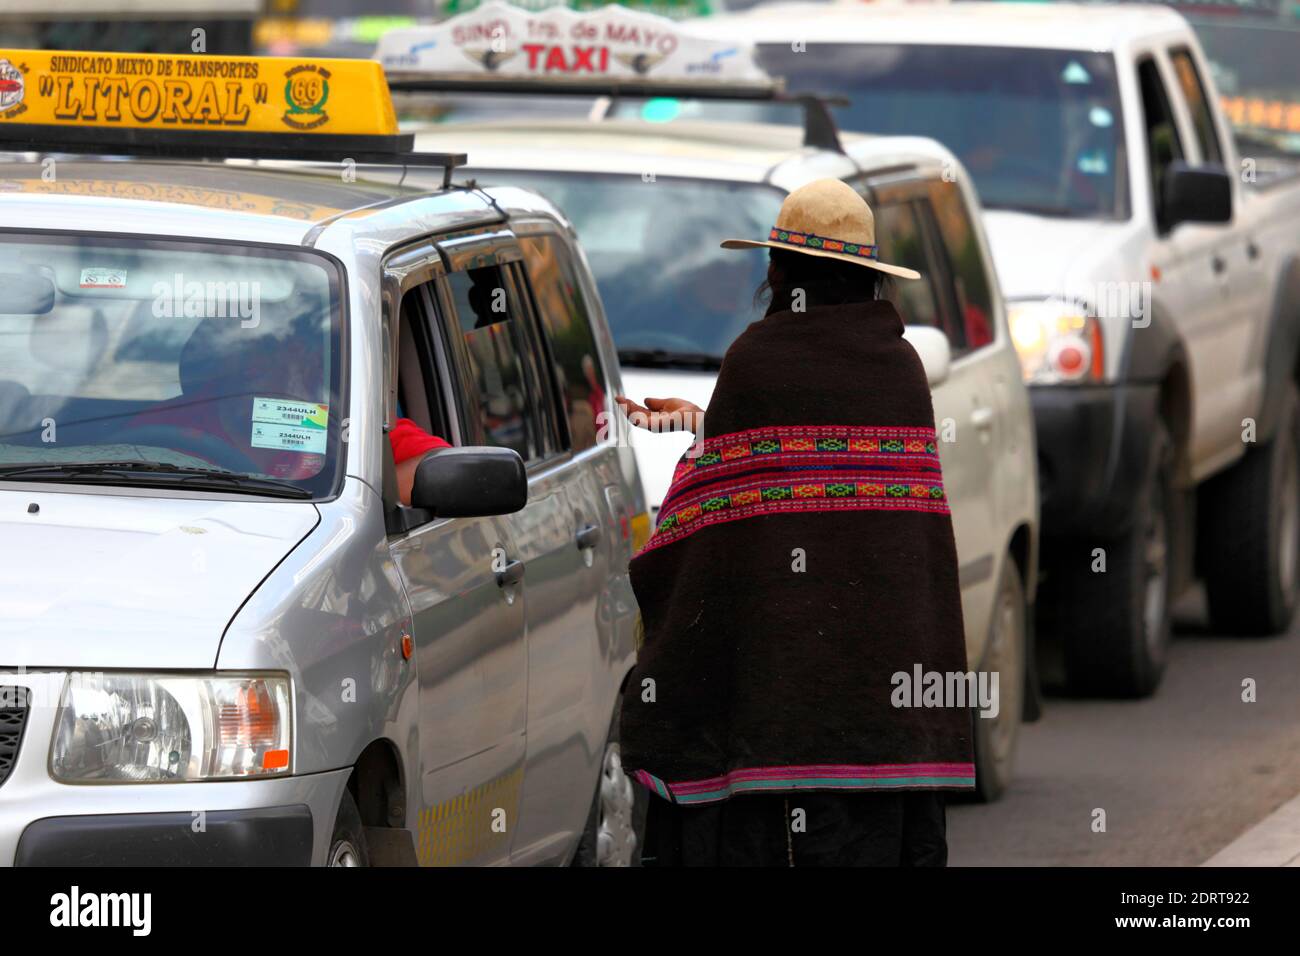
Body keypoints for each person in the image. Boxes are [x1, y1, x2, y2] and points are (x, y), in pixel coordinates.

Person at [615, 178, 974, 867]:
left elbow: (718, 516)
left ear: (779, 272)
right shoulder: (900, 370)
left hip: (776, 705)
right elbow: (847, 502)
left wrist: (702, 453)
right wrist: (709, 433)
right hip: (882, 706)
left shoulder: (756, 361)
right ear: (868, 278)